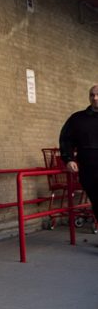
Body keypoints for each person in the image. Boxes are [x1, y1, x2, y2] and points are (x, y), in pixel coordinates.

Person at [59, 83, 98, 222]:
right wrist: (68, 159)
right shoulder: (77, 119)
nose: (95, 98)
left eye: (97, 95)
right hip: (89, 170)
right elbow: (65, 140)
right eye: (92, 95)